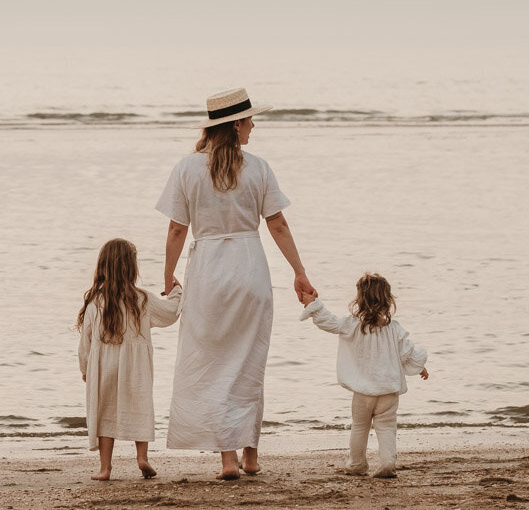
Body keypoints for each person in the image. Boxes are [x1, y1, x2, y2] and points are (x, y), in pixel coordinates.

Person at [156, 88, 314, 480]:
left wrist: (167, 274)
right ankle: (251, 456)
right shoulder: (258, 168)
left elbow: (178, 228)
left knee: (213, 364)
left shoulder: (186, 169)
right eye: (249, 120)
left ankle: (227, 459)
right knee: (249, 360)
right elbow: (277, 224)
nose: (254, 126)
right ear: (236, 125)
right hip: (249, 267)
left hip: (208, 269)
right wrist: (299, 271)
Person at [299, 273, 430, 478]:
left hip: (363, 392)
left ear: (359, 299)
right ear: (388, 300)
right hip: (388, 391)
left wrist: (314, 304)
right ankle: (387, 463)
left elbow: (328, 322)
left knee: (360, 427)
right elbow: (408, 353)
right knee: (387, 428)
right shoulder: (395, 329)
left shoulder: (351, 325)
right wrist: (419, 366)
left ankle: (357, 465)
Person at [77, 238, 182, 481]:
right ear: (132, 268)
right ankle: (142, 458)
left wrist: (85, 368)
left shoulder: (95, 301)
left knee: (104, 412)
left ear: (102, 266)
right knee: (139, 405)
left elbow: (86, 342)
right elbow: (170, 314)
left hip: (103, 367)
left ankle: (105, 468)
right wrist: (177, 291)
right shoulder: (142, 299)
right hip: (136, 368)